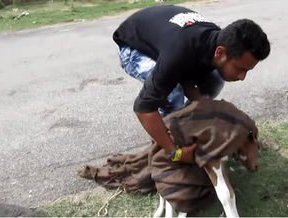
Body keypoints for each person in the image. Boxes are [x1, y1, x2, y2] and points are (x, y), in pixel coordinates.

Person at [112, 5, 270, 163]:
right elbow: (143, 109)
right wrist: (175, 153)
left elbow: (191, 79)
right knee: (172, 94)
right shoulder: (179, 53)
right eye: (240, 68)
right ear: (220, 53)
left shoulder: (215, 42)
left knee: (215, 81)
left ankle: (185, 125)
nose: (242, 77)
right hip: (133, 47)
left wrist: (205, 110)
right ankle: (172, 143)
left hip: (169, 40)